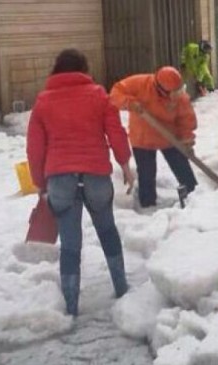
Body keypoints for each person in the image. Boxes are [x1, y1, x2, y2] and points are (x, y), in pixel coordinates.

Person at [27, 49, 135, 316]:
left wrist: (41, 183)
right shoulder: (99, 95)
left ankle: (72, 305)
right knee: (108, 230)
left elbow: (34, 148)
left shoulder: (43, 102)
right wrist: (125, 164)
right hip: (96, 175)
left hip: (60, 180)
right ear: (84, 68)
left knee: (70, 243)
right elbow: (116, 133)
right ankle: (121, 287)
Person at [110, 66, 198, 208]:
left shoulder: (180, 97)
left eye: (178, 90)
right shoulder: (140, 83)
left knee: (182, 168)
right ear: (160, 89)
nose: (176, 95)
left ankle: (194, 197)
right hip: (142, 137)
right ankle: (147, 205)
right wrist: (129, 102)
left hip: (169, 137)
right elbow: (116, 93)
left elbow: (186, 120)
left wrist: (187, 141)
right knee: (146, 173)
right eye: (172, 92)